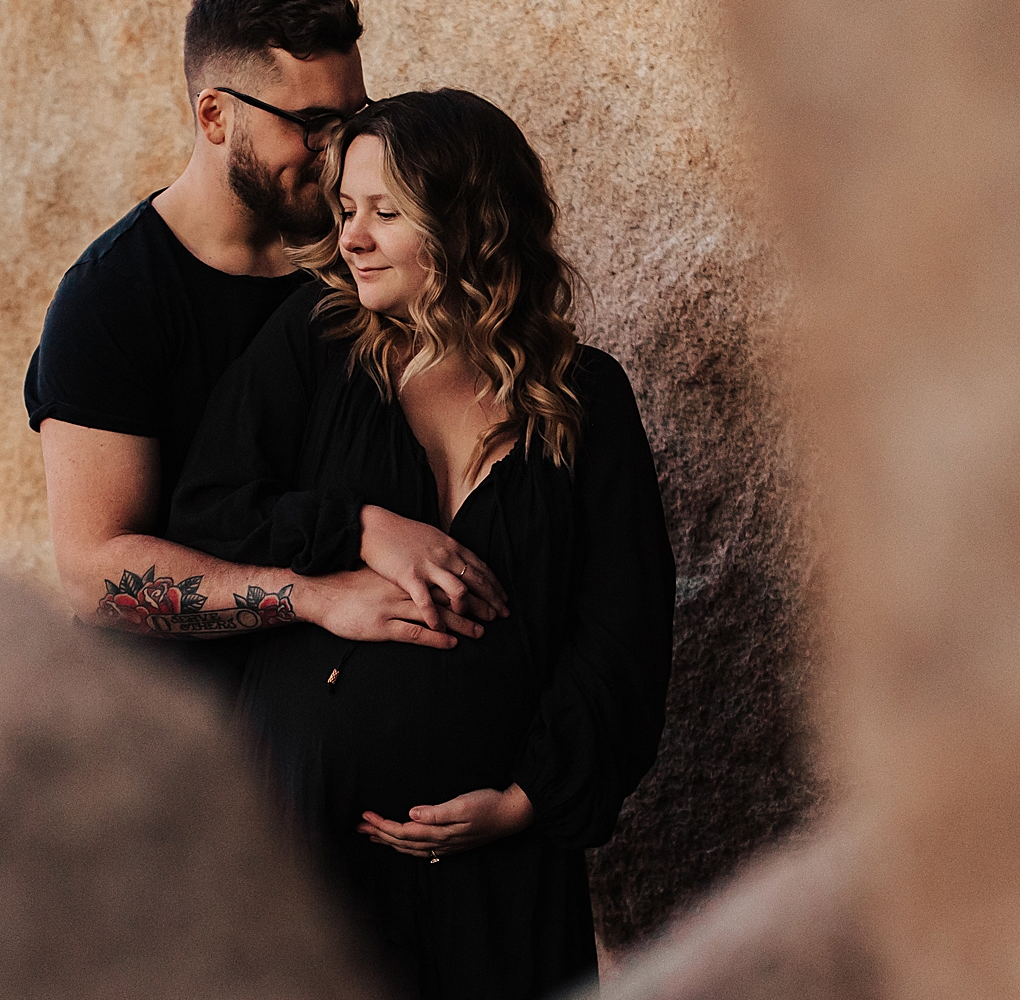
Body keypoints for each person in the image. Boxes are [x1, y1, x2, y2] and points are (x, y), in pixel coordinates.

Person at [167, 90, 676, 999]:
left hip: (502, 867)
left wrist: (528, 800)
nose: (351, 237)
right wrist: (360, 528)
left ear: (472, 225)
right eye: (349, 208)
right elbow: (209, 507)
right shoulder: (317, 345)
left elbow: (624, 625)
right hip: (312, 849)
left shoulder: (587, 400)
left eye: (386, 214)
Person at [23, 0, 503, 697]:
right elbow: (97, 578)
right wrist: (316, 593)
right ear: (214, 115)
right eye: (311, 124)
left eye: (352, 117)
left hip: (342, 731)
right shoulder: (111, 298)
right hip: (183, 741)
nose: (336, 148)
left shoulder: (362, 264)